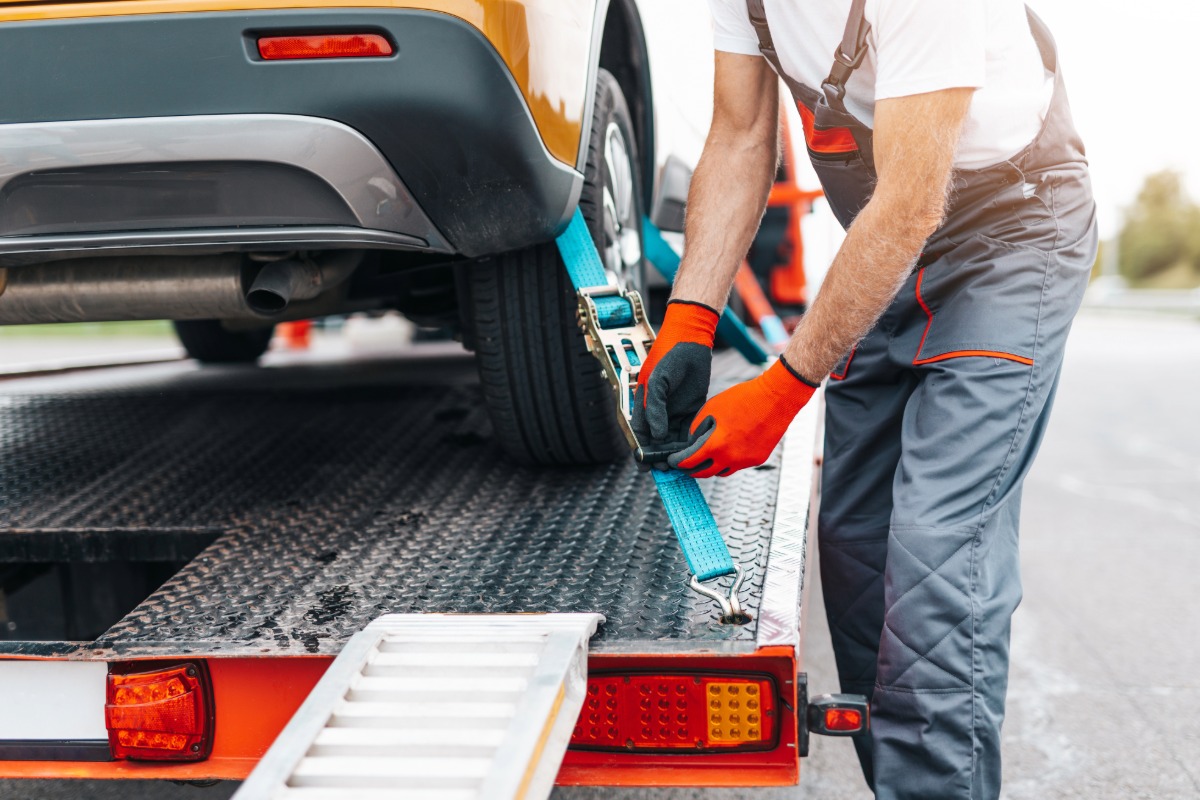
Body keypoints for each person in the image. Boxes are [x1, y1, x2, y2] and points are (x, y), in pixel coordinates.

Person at [630, 1, 1097, 798]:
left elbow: (915, 198)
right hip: (885, 246)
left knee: (933, 561)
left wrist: (780, 393)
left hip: (1009, 235)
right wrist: (689, 316)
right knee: (859, 557)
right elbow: (741, 137)